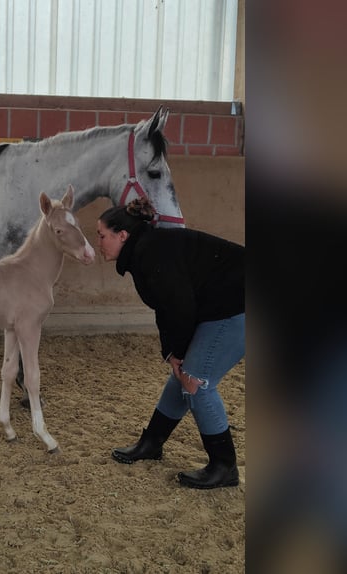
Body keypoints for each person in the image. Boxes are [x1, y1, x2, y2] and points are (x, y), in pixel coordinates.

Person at [96, 197, 245, 489]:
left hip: (238, 305)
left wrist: (180, 353)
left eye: (102, 236)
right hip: (221, 305)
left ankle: (224, 465)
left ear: (122, 235)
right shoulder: (144, 252)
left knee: (195, 381)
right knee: (182, 374)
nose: (98, 242)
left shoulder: (150, 252)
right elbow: (165, 308)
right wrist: (172, 354)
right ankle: (151, 443)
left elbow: (181, 308)